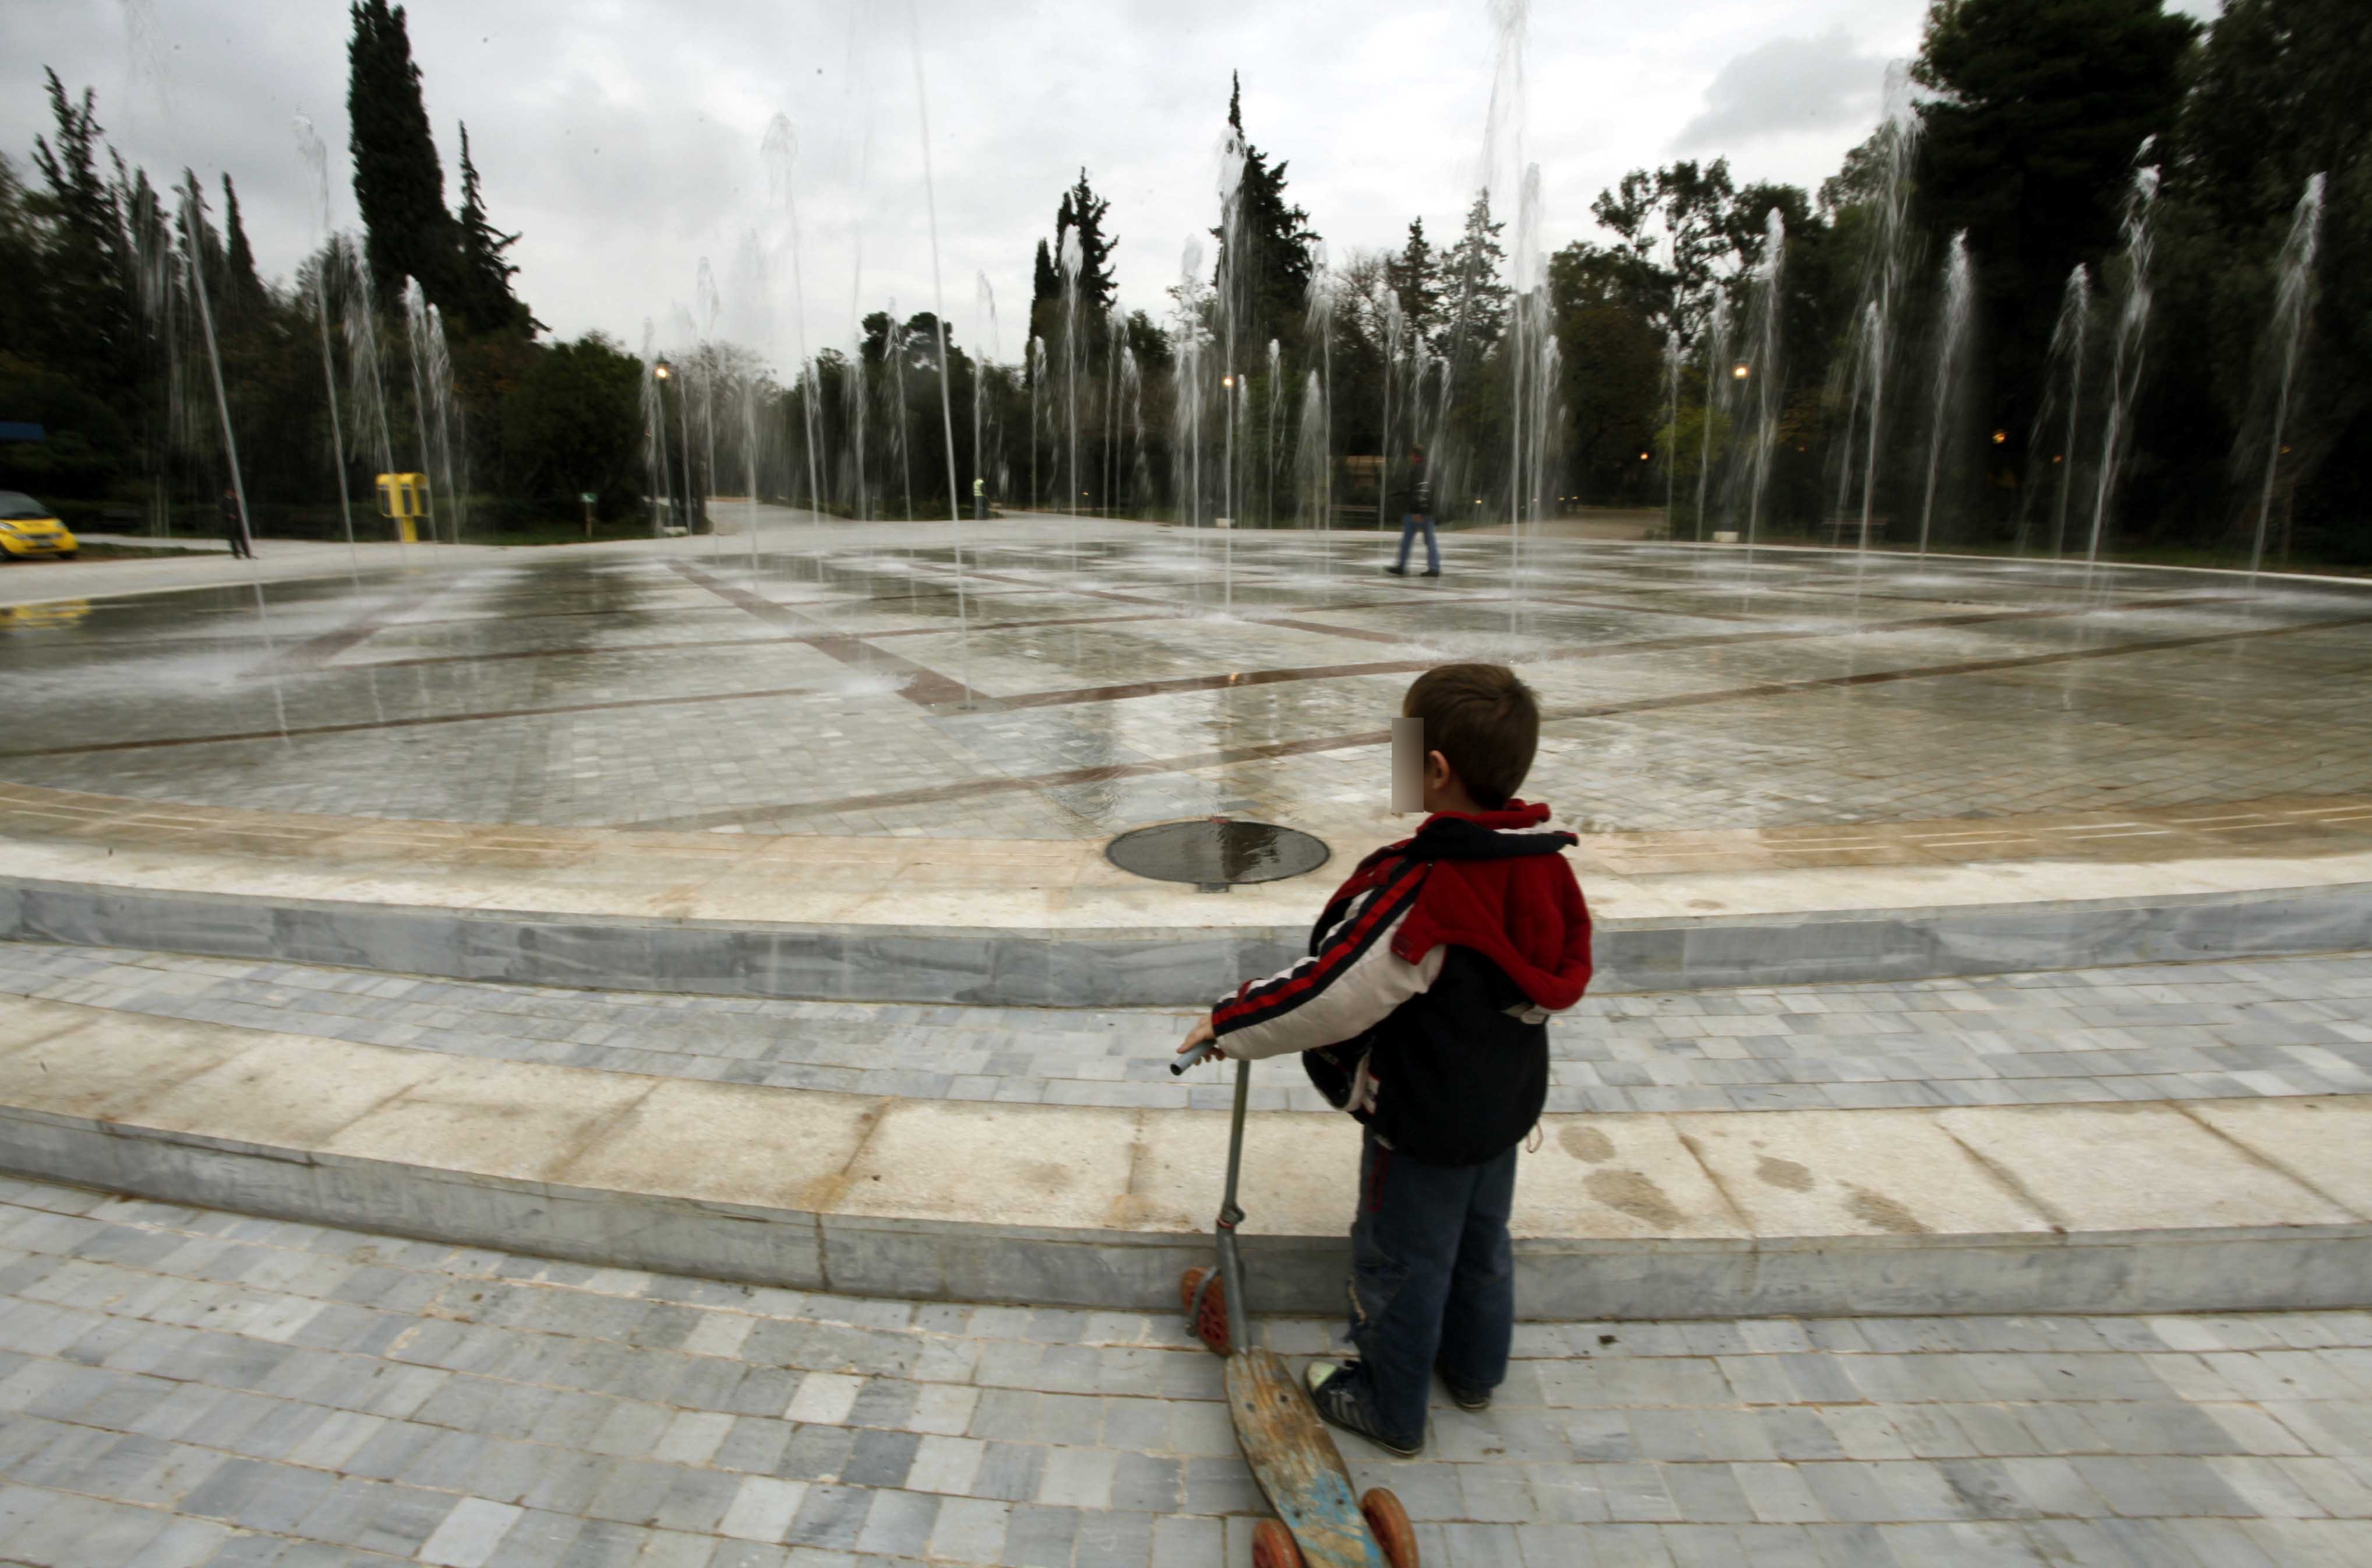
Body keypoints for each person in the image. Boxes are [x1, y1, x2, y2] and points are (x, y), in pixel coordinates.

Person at [1174, 663, 1593, 1456]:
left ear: (1435, 769)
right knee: (1481, 1248)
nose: (1392, 758)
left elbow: (1336, 989)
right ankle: (1474, 1374)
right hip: (1502, 1110)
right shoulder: (1546, 863)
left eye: (1400, 745)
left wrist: (1228, 1023)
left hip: (1423, 1118)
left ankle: (1390, 1405)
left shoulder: (1432, 889)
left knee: (1400, 1263)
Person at [1385, 444, 1438, 578]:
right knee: (1429, 540)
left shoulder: (1418, 469)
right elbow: (1427, 489)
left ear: (1415, 456)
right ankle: (1434, 567)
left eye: (1411, 456)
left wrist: (1417, 511)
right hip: (1427, 510)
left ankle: (1402, 566)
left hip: (1417, 511)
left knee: (1407, 540)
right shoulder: (1431, 469)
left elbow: (1420, 490)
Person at [218, 488, 253, 559]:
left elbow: (241, 509)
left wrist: (238, 500)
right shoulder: (223, 501)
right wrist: (228, 515)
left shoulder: (236, 500)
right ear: (227, 492)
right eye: (230, 492)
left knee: (242, 539)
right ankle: (236, 553)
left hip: (238, 523)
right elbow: (222, 512)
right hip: (230, 523)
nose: (231, 493)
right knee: (232, 539)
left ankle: (247, 553)